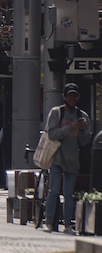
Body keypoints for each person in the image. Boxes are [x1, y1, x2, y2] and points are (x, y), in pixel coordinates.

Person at [43, 83, 92, 235]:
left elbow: (85, 141)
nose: (72, 98)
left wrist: (83, 130)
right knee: (53, 191)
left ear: (78, 97)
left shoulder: (82, 116)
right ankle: (49, 222)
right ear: (63, 96)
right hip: (57, 158)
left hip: (72, 160)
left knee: (69, 193)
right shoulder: (56, 112)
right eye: (69, 95)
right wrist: (70, 127)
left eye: (74, 96)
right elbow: (51, 134)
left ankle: (67, 225)